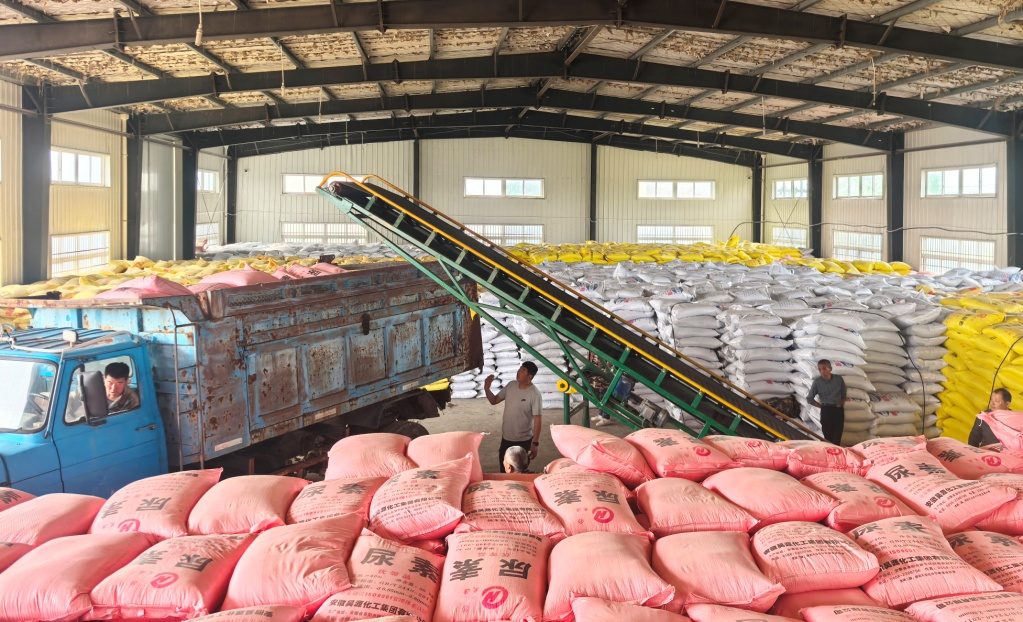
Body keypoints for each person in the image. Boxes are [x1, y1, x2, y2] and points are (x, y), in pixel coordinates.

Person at [484, 361, 543, 473]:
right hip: (506, 438)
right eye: (520, 368)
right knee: (504, 471)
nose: (518, 371)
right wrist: (487, 388)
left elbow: (538, 420)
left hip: (523, 441)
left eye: (523, 370)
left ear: (530, 377)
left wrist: (535, 443)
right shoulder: (511, 386)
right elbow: (494, 401)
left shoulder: (534, 394)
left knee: (519, 473)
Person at [807, 359, 846, 445]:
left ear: (830, 369)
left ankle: (836, 452)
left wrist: (840, 405)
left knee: (837, 437)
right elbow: (809, 399)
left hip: (839, 410)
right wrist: (822, 406)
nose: (822, 371)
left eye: (824, 369)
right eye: (820, 369)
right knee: (828, 438)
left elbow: (843, 395)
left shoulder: (838, 379)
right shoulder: (817, 382)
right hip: (826, 411)